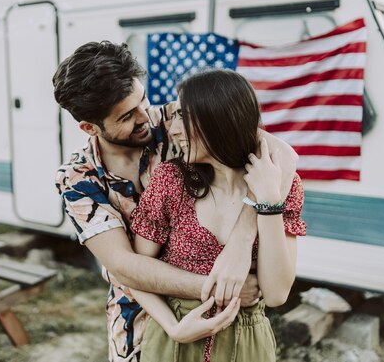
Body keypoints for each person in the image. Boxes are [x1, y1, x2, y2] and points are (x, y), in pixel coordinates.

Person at [53, 41, 298, 362]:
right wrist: (222, 289)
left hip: (230, 325)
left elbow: (281, 154)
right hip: (138, 316)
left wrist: (240, 241)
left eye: (143, 100)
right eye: (127, 116)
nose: (146, 117)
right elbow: (124, 265)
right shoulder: (78, 178)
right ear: (89, 127)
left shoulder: (178, 119)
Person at [129, 69, 306, 362]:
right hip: (175, 339)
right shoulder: (170, 180)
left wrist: (269, 201)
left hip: (247, 342)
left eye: (183, 116)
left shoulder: (283, 184)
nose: (173, 130)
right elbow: (137, 272)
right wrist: (173, 328)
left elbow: (276, 294)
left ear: (218, 118)